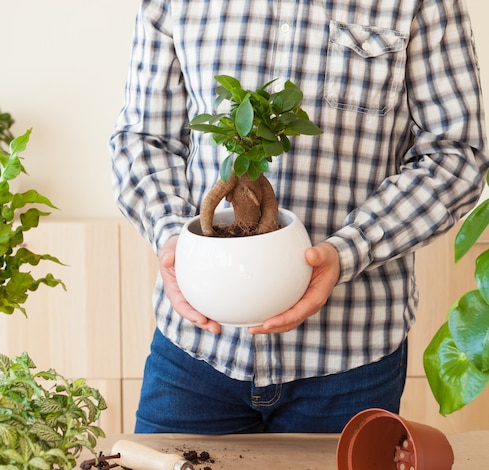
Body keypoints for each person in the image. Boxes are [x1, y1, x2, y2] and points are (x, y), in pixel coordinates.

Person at [110, 0, 488, 435]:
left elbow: (456, 156)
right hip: (195, 354)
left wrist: (348, 251)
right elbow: (142, 140)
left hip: (349, 360)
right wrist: (176, 238)